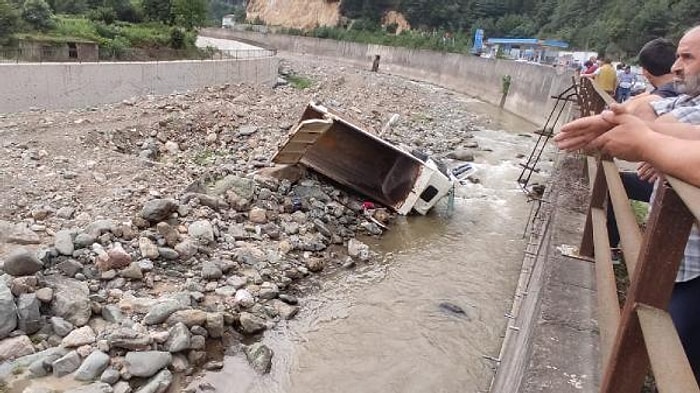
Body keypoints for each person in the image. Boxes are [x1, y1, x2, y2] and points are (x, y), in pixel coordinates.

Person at [555, 25, 700, 382]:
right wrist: (632, 128)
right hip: (678, 257)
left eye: (688, 57)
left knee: (674, 349)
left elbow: (653, 123)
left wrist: (651, 144)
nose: (677, 67)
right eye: (678, 56)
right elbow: (648, 110)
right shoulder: (686, 98)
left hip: (691, 264)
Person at [606, 38, 679, 249]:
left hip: (672, 192)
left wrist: (659, 156)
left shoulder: (659, 99)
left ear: (645, 72)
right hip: (671, 183)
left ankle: (608, 247)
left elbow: (640, 108)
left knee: (619, 183)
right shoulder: (680, 94)